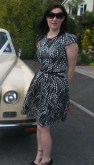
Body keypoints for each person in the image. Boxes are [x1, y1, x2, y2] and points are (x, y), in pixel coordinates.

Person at [21, 3, 78, 165]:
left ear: (63, 18)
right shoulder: (41, 38)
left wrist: (63, 90)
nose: (54, 18)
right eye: (51, 15)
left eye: (59, 15)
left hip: (56, 83)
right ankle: (39, 156)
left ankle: (46, 159)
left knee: (43, 125)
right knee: (39, 123)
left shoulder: (68, 39)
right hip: (40, 82)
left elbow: (72, 68)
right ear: (46, 17)